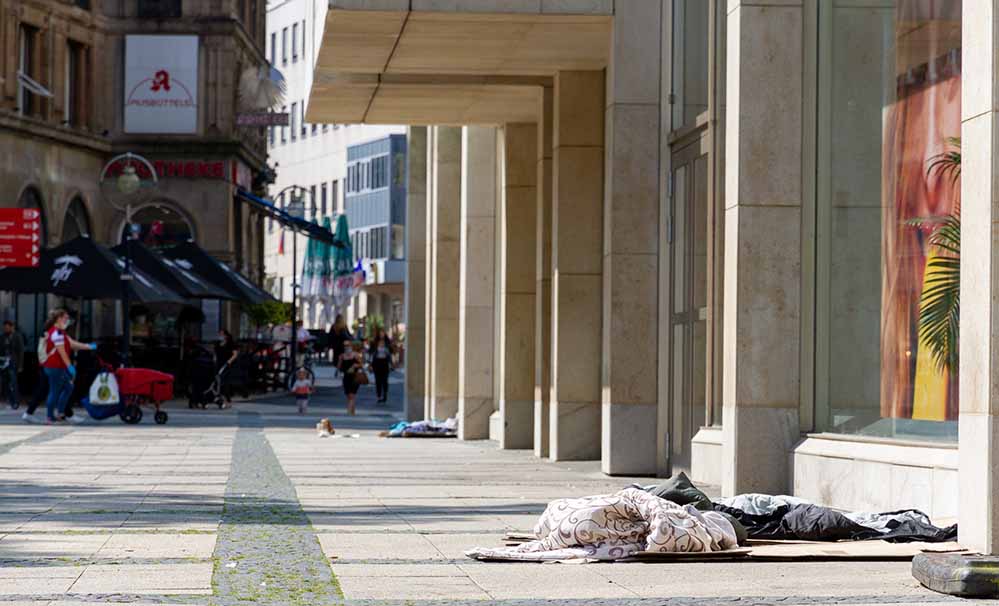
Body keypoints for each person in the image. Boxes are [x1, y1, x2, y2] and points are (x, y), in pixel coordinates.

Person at [41, 309, 95, 424]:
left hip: (57, 367)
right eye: (66, 318)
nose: (68, 321)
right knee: (54, 391)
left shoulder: (61, 332)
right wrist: (71, 367)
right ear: (59, 319)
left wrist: (89, 346)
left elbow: (72, 344)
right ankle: (50, 417)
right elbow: (62, 353)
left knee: (68, 388)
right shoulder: (57, 333)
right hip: (54, 367)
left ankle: (60, 414)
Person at [0, 320, 24, 409]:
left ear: (11, 327)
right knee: (5, 383)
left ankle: (16, 402)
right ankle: (10, 400)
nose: (5, 329)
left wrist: (20, 365)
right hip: (3, 363)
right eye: (4, 327)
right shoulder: (2, 337)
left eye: (7, 327)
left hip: (13, 362)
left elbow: (21, 351)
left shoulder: (17, 336)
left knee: (14, 383)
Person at [338, 340, 362, 416]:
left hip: (355, 376)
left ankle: (348, 411)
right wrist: (340, 360)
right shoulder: (342, 356)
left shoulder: (356, 355)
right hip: (346, 377)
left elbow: (361, 364)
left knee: (352, 395)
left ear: (351, 346)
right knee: (349, 395)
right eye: (345, 346)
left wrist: (355, 365)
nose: (347, 347)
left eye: (348, 345)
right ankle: (353, 411)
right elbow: (339, 367)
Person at [214, 329, 238, 407]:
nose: (220, 336)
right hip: (218, 364)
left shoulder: (230, 343)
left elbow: (235, 354)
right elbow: (215, 353)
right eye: (219, 334)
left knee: (224, 381)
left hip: (226, 364)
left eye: (221, 334)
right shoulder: (218, 343)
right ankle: (220, 397)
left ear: (226, 335)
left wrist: (229, 362)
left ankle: (226, 399)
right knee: (218, 380)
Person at [371, 335, 392, 404]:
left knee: (385, 381)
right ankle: (379, 396)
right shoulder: (375, 350)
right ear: (378, 343)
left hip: (384, 365)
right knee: (378, 381)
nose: (381, 344)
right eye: (380, 343)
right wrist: (371, 366)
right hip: (377, 365)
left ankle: (385, 394)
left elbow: (389, 358)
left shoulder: (387, 350)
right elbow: (372, 359)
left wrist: (391, 365)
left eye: (383, 343)